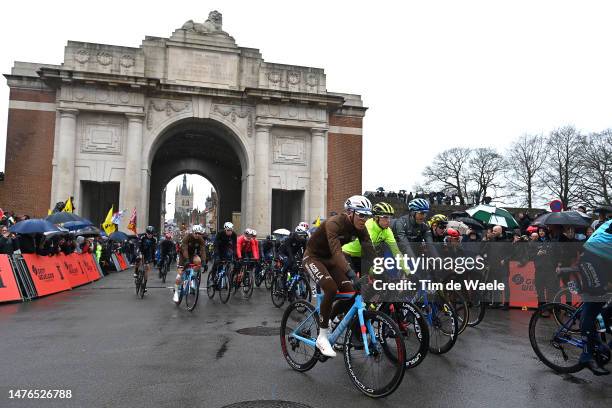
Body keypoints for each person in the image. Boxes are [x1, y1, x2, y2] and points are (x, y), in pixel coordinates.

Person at [303, 195, 375, 358]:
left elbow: (370, 250)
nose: (364, 219)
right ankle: (322, 337)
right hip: (313, 257)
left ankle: (331, 318)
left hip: (329, 260)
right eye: (362, 215)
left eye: (367, 215)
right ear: (351, 213)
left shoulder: (360, 228)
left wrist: (376, 272)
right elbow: (336, 252)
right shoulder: (334, 223)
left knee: (351, 293)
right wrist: (351, 274)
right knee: (330, 289)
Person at [558, 219, 612, 375]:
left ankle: (597, 332)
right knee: (595, 300)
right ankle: (586, 356)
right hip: (593, 258)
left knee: (599, 305)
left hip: (605, 259)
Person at [342, 202, 408, 277]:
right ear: (376, 217)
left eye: (390, 217)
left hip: (363, 256)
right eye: (385, 217)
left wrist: (408, 272)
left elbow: (396, 251)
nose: (389, 220)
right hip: (347, 255)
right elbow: (369, 251)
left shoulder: (387, 231)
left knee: (382, 276)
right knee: (354, 282)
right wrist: (376, 267)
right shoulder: (368, 226)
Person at [172, 225, 207, 303]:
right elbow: (184, 248)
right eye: (196, 233)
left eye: (199, 233)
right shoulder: (187, 237)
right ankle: (176, 291)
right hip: (183, 255)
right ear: (193, 232)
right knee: (180, 274)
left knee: (198, 260)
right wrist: (187, 259)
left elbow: (203, 250)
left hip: (192, 255)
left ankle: (192, 277)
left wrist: (204, 261)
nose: (197, 235)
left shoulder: (200, 239)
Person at [137, 226, 157, 294]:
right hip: (141, 251)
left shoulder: (154, 239)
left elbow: (154, 250)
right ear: (146, 232)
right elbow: (139, 246)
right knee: (138, 259)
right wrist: (139, 253)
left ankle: (144, 285)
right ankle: (136, 272)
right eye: (148, 233)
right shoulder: (142, 237)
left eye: (151, 233)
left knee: (147, 268)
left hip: (148, 254)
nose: (150, 235)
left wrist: (154, 259)